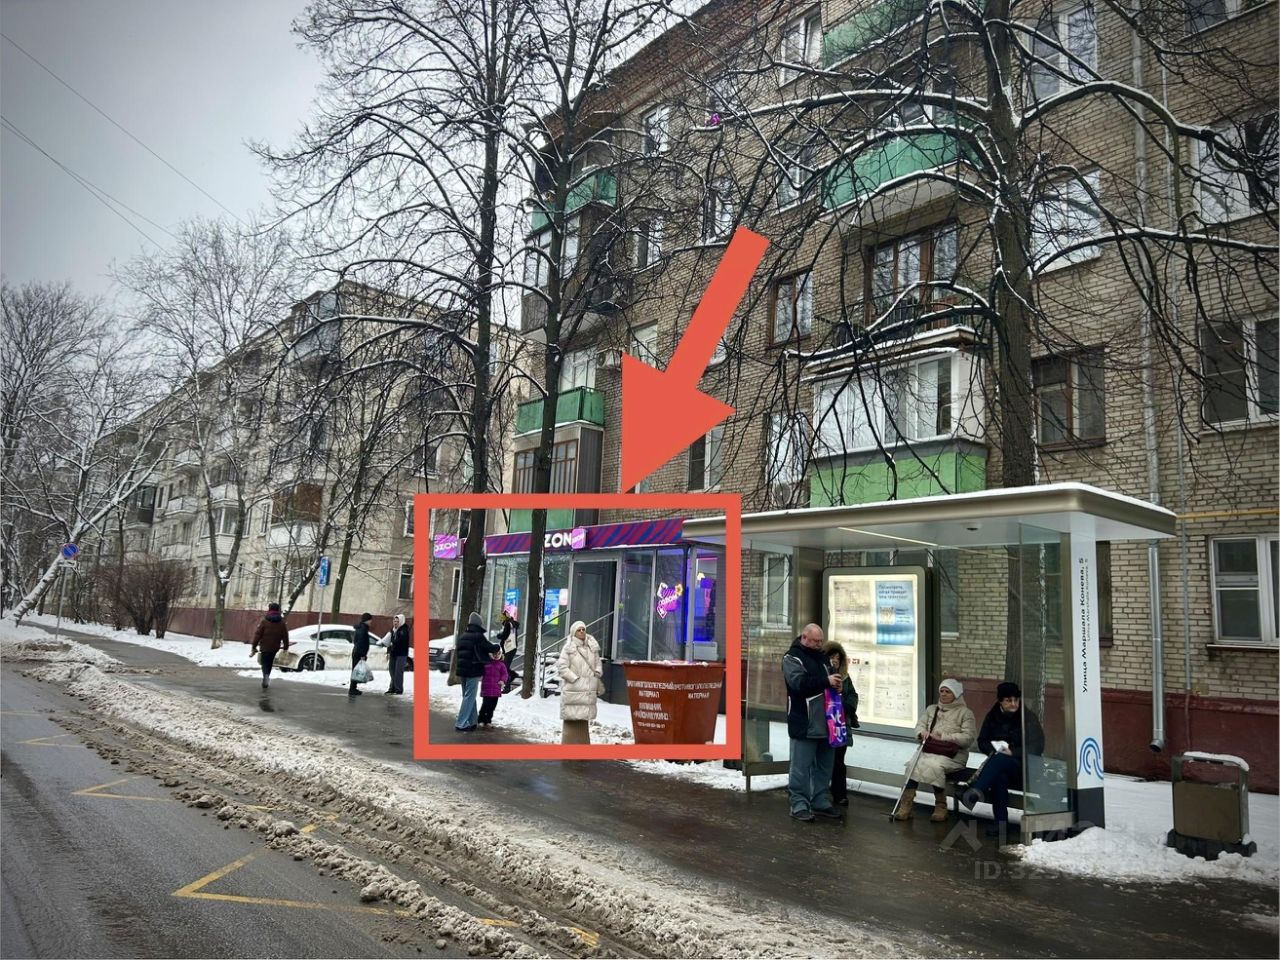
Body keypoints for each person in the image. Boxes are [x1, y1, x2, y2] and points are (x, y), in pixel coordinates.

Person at [962, 681, 1047, 837]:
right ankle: (1000, 824)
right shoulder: (992, 716)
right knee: (999, 777)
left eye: (1016, 700)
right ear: (1000, 701)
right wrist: (993, 749)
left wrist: (1012, 752)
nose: (1013, 703)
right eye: (1008, 700)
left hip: (1026, 768)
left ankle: (975, 791)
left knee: (1000, 760)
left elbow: (1037, 746)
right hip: (1000, 767)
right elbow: (982, 741)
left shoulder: (1027, 717)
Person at [782, 623, 844, 823]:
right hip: (805, 721)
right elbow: (799, 684)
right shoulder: (792, 658)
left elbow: (827, 682)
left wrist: (837, 686)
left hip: (827, 722)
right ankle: (798, 804)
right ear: (804, 637)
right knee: (800, 767)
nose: (819, 645)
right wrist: (826, 681)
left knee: (824, 766)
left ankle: (820, 801)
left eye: (820, 641)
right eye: (815, 641)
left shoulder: (822, 657)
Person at [893, 679, 976, 823]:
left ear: (956, 694)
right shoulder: (932, 709)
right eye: (941, 691)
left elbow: (968, 738)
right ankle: (906, 805)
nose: (943, 694)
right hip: (930, 749)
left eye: (948, 691)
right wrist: (922, 733)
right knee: (913, 764)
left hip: (954, 754)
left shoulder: (965, 713)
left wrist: (943, 737)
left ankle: (941, 806)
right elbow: (919, 725)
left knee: (934, 766)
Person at [824, 639, 861, 807]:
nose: (835, 661)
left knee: (839, 760)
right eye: (832, 657)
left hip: (840, 725)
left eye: (838, 658)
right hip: (825, 725)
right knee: (823, 760)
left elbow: (853, 697)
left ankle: (840, 794)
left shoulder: (845, 678)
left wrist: (843, 700)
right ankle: (819, 793)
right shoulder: (821, 676)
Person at [557, 619, 602, 744]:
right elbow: (562, 667)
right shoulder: (568, 647)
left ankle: (583, 746)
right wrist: (574, 678)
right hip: (573, 689)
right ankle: (568, 746)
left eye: (583, 629)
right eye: (579, 630)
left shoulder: (591, 646)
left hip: (587, 690)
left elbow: (598, 663)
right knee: (571, 720)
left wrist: (597, 672)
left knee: (583, 720)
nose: (582, 632)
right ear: (573, 632)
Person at [454, 612, 498, 731]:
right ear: (478, 624)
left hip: (462, 670)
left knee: (468, 696)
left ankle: (472, 721)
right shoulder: (478, 636)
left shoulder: (463, 636)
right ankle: (461, 723)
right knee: (469, 697)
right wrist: (498, 647)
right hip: (473, 670)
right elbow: (489, 647)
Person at [250, 602, 289, 690]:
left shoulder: (264, 621)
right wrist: (286, 646)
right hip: (275, 646)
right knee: (270, 662)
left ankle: (265, 676)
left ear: (269, 609)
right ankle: (267, 676)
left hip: (265, 645)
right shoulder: (281, 623)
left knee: (264, 663)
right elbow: (285, 636)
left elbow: (258, 634)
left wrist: (254, 646)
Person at [478, 651, 509, 726]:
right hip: (486, 689)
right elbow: (480, 671)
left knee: (492, 706)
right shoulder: (486, 663)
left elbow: (505, 674)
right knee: (485, 705)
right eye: (494, 654)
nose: (496, 656)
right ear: (490, 654)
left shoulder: (501, 664)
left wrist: (502, 680)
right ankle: (481, 719)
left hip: (496, 689)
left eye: (498, 654)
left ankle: (488, 720)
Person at [382, 614, 410, 695]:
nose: (395, 623)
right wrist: (388, 650)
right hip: (393, 653)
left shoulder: (403, 630)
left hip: (401, 654)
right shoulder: (393, 630)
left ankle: (398, 689)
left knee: (398, 672)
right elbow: (389, 641)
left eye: (397, 621)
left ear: (401, 621)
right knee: (392, 671)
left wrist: (393, 641)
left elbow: (400, 641)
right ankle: (392, 688)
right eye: (394, 621)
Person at [348, 612, 373, 697]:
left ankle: (353, 688)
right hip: (359, 653)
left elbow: (356, 641)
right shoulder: (363, 629)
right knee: (356, 671)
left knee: (355, 670)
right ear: (367, 620)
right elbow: (361, 642)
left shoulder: (360, 628)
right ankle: (352, 689)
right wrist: (363, 654)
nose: (371, 622)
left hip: (356, 651)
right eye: (370, 620)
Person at [498, 612, 521, 693]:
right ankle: (513, 675)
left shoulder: (508, 624)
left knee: (505, 667)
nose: (500, 619)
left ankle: (507, 687)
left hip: (510, 648)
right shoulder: (511, 624)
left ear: (505, 618)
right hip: (510, 648)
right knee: (505, 666)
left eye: (501, 617)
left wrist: (499, 636)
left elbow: (505, 635)